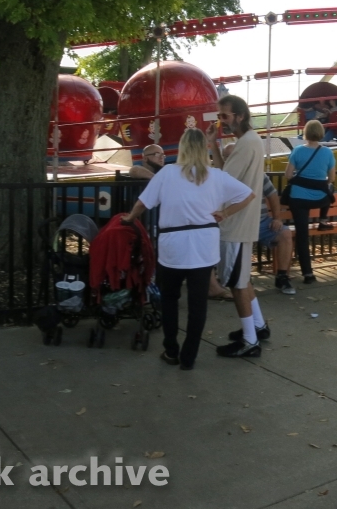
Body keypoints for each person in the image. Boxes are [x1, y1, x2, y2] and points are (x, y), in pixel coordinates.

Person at [120, 128, 254, 370]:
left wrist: (129, 218)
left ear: (181, 148)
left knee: (170, 299)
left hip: (174, 245)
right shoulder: (215, 175)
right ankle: (189, 356)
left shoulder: (168, 173)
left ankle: (171, 349)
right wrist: (224, 213)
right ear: (203, 149)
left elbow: (142, 203)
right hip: (204, 245)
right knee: (197, 303)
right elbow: (248, 195)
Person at [206, 94, 268, 358]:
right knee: (242, 279)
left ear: (240, 116)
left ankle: (249, 340)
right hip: (240, 222)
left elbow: (222, 180)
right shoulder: (249, 141)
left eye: (225, 116)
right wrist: (213, 144)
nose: (222, 122)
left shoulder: (246, 144)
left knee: (236, 283)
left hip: (235, 223)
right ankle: (257, 326)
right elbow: (226, 175)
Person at [283, 119, 336, 288]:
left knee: (302, 234)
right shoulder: (327, 152)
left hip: (298, 198)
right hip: (320, 198)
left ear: (305, 133)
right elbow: (332, 178)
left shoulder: (298, 151)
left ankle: (308, 272)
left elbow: (288, 175)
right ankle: (323, 219)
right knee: (330, 191)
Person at [257, 174, 296, 295]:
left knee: (285, 233)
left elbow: (272, 195)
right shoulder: (227, 171)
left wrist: (277, 218)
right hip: (238, 224)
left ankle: (282, 277)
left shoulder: (259, 174)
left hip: (262, 221)